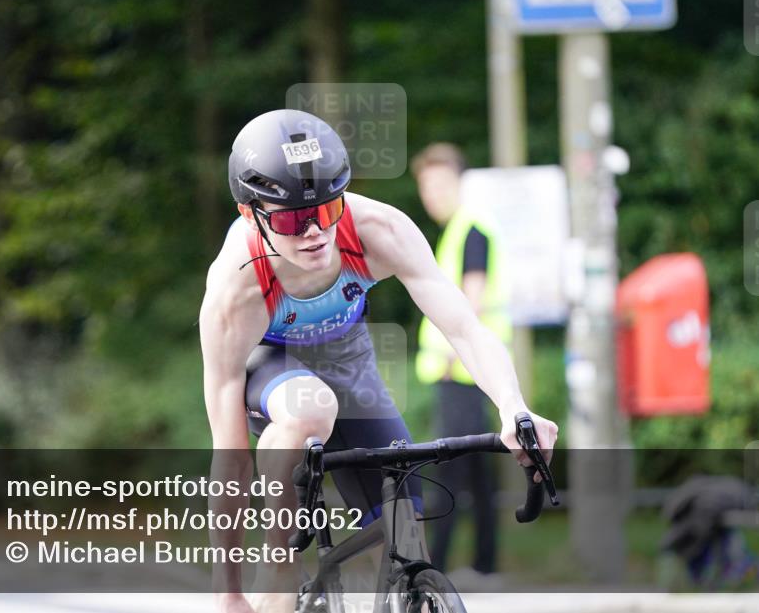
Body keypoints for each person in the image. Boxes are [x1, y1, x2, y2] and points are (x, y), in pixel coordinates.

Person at [199, 110, 557, 613]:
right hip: (272, 366)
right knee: (310, 407)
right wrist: (229, 592)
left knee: (405, 535)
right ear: (249, 212)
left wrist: (513, 407)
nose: (314, 232)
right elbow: (230, 454)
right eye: (291, 220)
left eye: (327, 209)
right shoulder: (236, 287)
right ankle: (278, 559)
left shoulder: (377, 229)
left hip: (349, 362)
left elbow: (466, 328)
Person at [412, 143, 512, 580]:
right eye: (426, 187)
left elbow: (473, 300)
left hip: (462, 371)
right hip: (466, 372)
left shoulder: (470, 230)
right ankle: (485, 565)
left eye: (440, 184)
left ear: (459, 183)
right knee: (474, 471)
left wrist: (455, 358)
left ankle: (434, 567)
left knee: (448, 470)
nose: (432, 195)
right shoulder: (457, 230)